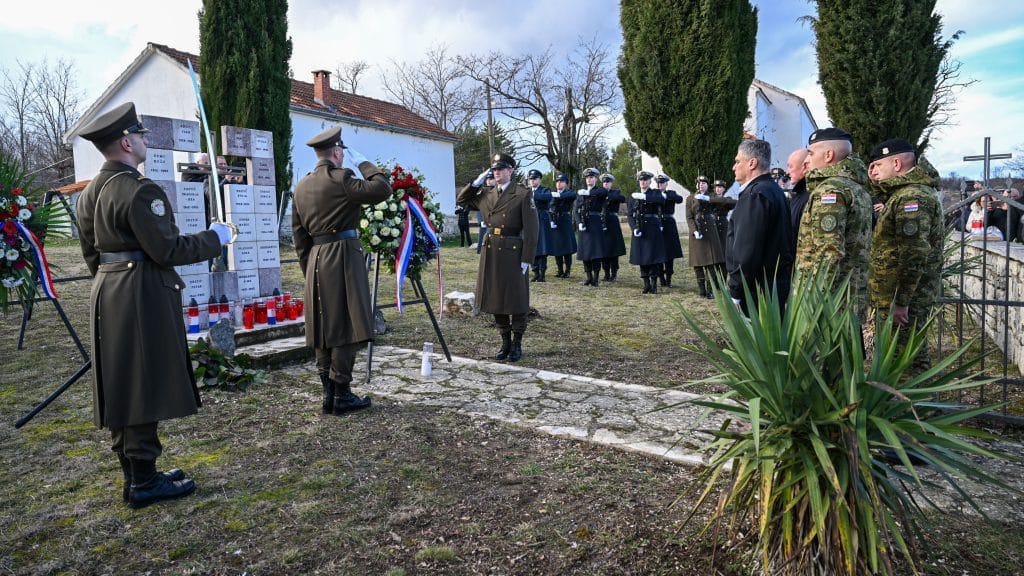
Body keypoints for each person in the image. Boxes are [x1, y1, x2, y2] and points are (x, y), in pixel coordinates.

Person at [75, 102, 235, 508]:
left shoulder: (90, 192)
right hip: (140, 292)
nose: (146, 140)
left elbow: (92, 255)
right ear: (126, 142)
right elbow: (167, 248)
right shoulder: (139, 189)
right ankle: (144, 481)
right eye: (141, 134)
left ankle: (135, 477)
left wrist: (114, 282)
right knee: (141, 384)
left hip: (107, 292)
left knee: (121, 385)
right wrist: (217, 237)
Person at [292, 125, 391, 416]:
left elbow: (299, 238)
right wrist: (364, 163)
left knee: (324, 325)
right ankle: (342, 392)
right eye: (343, 153)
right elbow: (382, 189)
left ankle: (328, 393)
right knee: (347, 323)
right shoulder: (342, 178)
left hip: (316, 259)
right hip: (343, 256)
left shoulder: (302, 186)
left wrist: (309, 269)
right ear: (337, 152)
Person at [867, 138, 944, 370]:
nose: (874, 171)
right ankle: (919, 405)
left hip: (904, 298)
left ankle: (916, 407)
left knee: (904, 362)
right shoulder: (906, 193)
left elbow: (913, 254)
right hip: (901, 296)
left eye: (878, 165)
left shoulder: (911, 198)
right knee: (906, 355)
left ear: (897, 163)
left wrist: (901, 301)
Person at [457, 153, 539, 361]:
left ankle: (517, 342)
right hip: (491, 249)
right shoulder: (486, 194)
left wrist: (526, 258)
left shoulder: (522, 193)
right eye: (494, 170)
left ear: (510, 171)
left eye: (501, 169)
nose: (497, 173)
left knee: (516, 299)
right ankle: (505, 341)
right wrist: (475, 183)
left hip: (513, 251)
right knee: (495, 298)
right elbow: (462, 199)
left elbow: (532, 229)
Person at [796, 127, 873, 322]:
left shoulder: (829, 191)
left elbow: (828, 252)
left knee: (826, 352)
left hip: (830, 304)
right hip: (850, 296)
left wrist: (816, 303)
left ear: (828, 155)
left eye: (811, 153)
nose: (807, 160)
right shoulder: (857, 188)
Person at [727, 139, 795, 315]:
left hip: (757, 288)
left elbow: (747, 250)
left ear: (752, 163)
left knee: (756, 340)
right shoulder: (774, 191)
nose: (734, 167)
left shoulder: (755, 195)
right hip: (773, 284)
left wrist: (735, 290)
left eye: (737, 161)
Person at [685, 176, 727, 299]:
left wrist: (707, 199)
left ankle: (711, 289)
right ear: (696, 185)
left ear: (708, 185)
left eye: (704, 183)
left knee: (711, 263)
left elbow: (723, 201)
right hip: (696, 234)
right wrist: (694, 230)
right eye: (699, 183)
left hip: (710, 233)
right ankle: (701, 289)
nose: (701, 185)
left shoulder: (712, 196)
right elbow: (689, 216)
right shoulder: (690, 198)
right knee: (697, 264)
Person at [628, 171, 667, 293]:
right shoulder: (633, 196)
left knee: (652, 256)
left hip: (652, 228)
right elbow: (630, 215)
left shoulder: (655, 193)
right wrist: (634, 228)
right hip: (639, 228)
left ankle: (654, 283)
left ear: (650, 181)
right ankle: (646, 283)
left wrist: (645, 197)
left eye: (645, 180)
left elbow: (661, 200)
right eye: (641, 180)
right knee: (641, 256)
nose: (643, 182)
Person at [575, 167, 610, 286]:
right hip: (584, 223)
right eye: (587, 178)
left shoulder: (599, 191)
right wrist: (579, 222)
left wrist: (589, 192)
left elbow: (604, 192)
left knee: (595, 252)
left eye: (591, 177)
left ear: (595, 179)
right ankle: (588, 276)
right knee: (585, 252)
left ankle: (595, 277)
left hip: (595, 223)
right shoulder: (581, 193)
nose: (589, 180)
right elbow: (576, 210)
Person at [655, 174, 684, 287]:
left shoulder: (670, 193)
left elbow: (680, 199)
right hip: (657, 223)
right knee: (658, 252)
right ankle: (661, 278)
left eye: (662, 182)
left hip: (668, 224)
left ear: (666, 184)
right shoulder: (653, 193)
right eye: (658, 182)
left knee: (669, 253)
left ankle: (669, 279)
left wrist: (666, 196)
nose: (659, 184)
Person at [548, 173, 578, 278]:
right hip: (555, 221)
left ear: (566, 184)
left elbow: (573, 195)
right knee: (557, 247)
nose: (559, 184)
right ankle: (560, 269)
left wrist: (559, 195)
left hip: (565, 221)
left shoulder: (568, 193)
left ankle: (567, 270)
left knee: (566, 247)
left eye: (561, 182)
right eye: (557, 182)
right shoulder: (552, 194)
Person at [527, 169, 553, 282]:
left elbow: (547, 197)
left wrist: (532, 194)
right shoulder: (527, 191)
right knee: (532, 247)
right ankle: (535, 271)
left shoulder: (544, 190)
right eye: (531, 179)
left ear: (539, 179)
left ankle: (542, 273)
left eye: (534, 179)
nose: (532, 181)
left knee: (542, 248)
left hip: (542, 221)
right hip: (530, 222)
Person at [600, 173, 627, 281]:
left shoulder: (615, 193)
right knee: (603, 249)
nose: (606, 183)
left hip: (612, 223)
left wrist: (607, 195)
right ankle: (606, 273)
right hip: (601, 222)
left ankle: (614, 273)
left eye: (608, 182)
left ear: (611, 183)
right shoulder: (598, 193)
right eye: (604, 182)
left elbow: (622, 198)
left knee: (613, 250)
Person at [785, 148, 810, 244]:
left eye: (790, 167)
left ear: (804, 167)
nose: (787, 172)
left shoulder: (808, 196)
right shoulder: (798, 195)